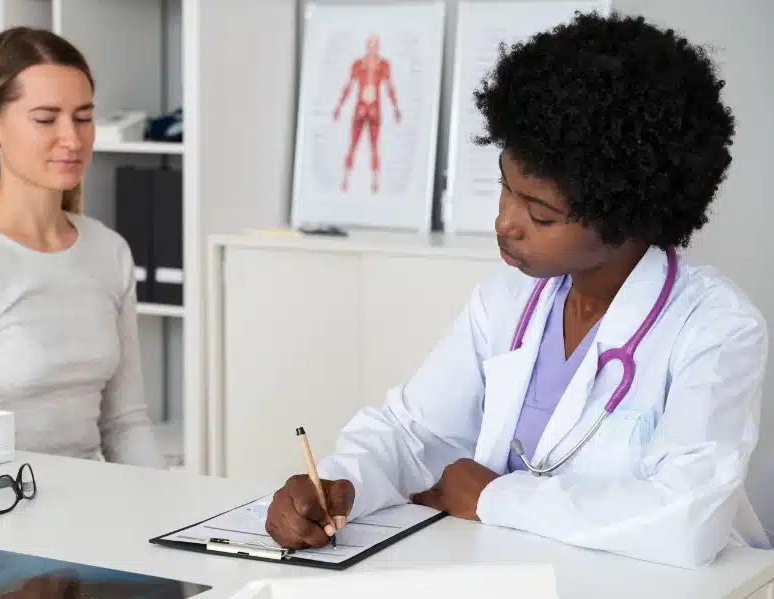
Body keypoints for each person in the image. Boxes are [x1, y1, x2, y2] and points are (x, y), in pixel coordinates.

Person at [265, 11, 772, 568]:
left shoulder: (715, 326)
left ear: (627, 217)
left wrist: (492, 497)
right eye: (506, 189)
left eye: (541, 213)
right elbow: (415, 432)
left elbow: (686, 520)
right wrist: (342, 483)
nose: (506, 223)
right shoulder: (508, 298)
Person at [0, 27, 165, 468]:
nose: (73, 139)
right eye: (46, 119)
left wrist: (170, 514)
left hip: (95, 509)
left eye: (83, 117)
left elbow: (125, 424)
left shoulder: (108, 251)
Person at [333, 35, 401, 194]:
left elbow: (389, 87)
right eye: (371, 45)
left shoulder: (383, 65)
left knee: (374, 147)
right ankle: (345, 180)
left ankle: (374, 183)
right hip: (361, 107)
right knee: (353, 145)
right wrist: (339, 107)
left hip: (373, 109)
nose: (373, 48)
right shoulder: (358, 64)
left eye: (375, 45)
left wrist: (396, 108)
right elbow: (348, 86)